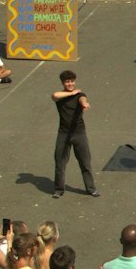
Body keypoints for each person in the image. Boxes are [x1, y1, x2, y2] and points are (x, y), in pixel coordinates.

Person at [51, 71, 98, 199]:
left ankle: (91, 189)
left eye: (72, 81)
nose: (70, 84)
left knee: (85, 162)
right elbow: (54, 95)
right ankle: (58, 189)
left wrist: (84, 103)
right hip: (63, 133)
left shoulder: (80, 95)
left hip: (79, 133)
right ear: (63, 83)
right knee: (60, 162)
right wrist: (72, 93)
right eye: (67, 82)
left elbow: (83, 99)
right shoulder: (61, 96)